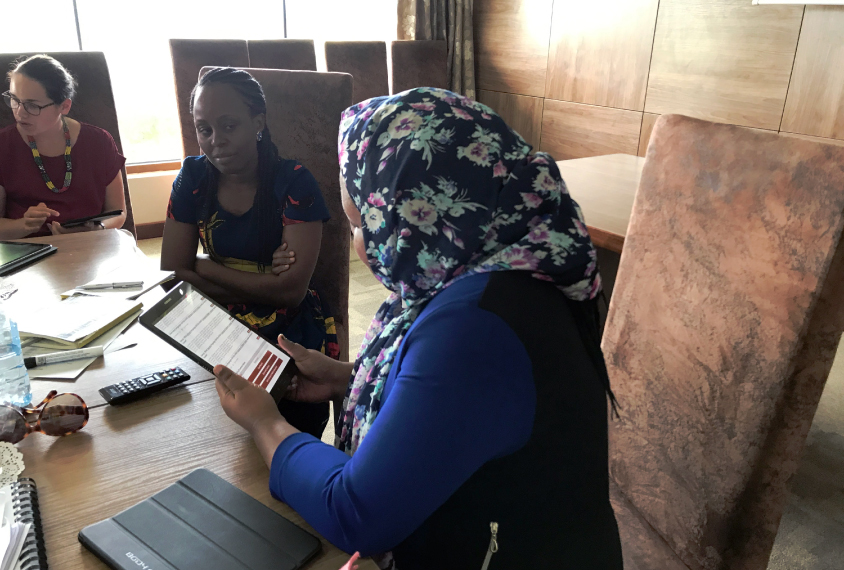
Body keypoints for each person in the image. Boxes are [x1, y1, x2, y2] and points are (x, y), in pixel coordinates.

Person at [212, 88, 623, 569]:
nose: (359, 243)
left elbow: (357, 512)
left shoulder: (475, 330)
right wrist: (350, 376)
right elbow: (467, 406)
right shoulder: (508, 260)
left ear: (409, 215)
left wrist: (266, 423)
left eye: (360, 224)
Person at [161, 67, 336, 438]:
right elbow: (172, 277)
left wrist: (204, 265)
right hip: (212, 325)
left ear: (258, 121)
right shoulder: (192, 177)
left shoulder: (293, 181)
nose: (215, 141)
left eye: (229, 126)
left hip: (289, 332)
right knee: (188, 425)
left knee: (284, 434)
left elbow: (291, 293)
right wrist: (262, 281)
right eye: (203, 128)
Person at [0, 54, 127, 238]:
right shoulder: (4, 146)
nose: (20, 113)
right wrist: (23, 225)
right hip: (28, 251)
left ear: (64, 106)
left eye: (32, 105)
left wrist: (96, 229)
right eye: (14, 100)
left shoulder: (99, 142)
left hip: (92, 246)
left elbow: (118, 213)